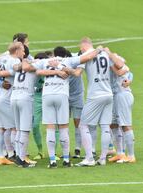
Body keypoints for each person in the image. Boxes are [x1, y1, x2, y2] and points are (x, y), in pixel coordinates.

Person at [23, 46, 103, 168]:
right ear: (65, 55)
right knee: (63, 128)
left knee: (50, 128)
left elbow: (30, 69)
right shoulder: (69, 61)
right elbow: (88, 56)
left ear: (54, 53)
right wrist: (98, 49)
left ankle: (52, 161)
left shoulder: (46, 61)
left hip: (47, 96)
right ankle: (66, 160)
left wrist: (28, 60)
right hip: (62, 96)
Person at [75, 37, 126, 167]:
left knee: (83, 125)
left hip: (95, 95)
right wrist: (109, 53)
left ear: (83, 46)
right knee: (105, 126)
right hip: (108, 94)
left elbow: (77, 73)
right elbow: (120, 65)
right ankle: (102, 158)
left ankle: (89, 158)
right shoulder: (104, 54)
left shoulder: (85, 55)